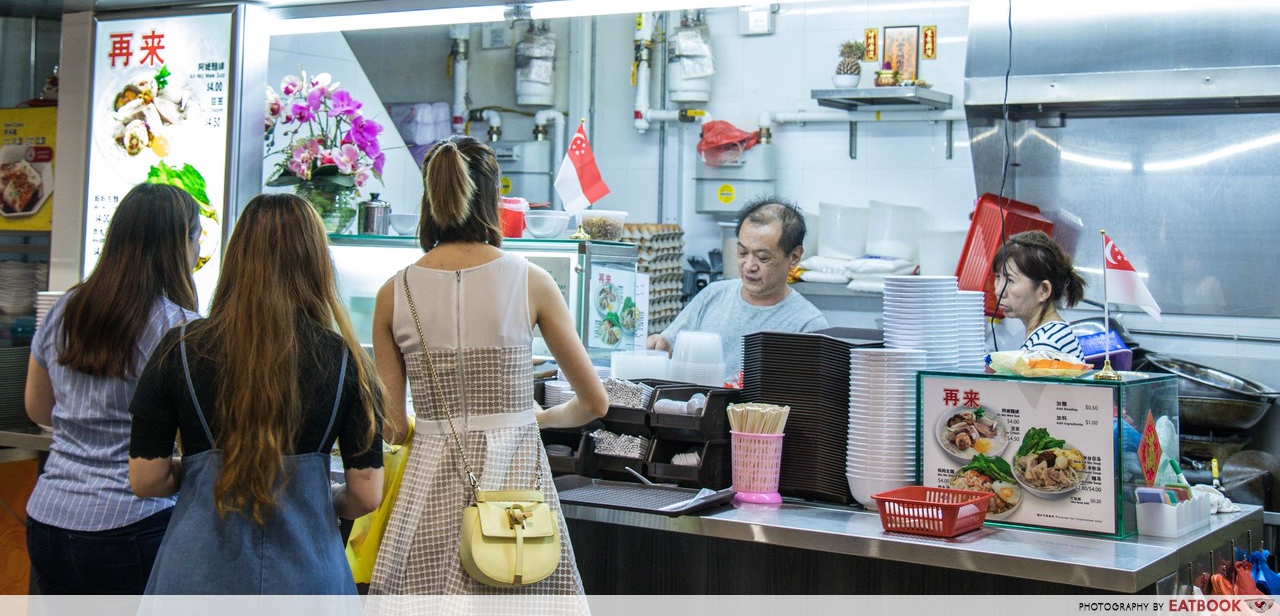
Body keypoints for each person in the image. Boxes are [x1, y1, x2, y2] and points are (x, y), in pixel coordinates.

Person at [367, 135, 609, 596]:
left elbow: (394, 428)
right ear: (493, 198)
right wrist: (536, 418)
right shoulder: (531, 280)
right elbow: (594, 402)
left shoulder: (392, 293)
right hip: (516, 502)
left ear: (430, 197)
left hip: (429, 493)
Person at [128, 193, 384, 595]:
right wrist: (324, 498)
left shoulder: (179, 348)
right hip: (308, 579)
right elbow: (366, 494)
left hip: (197, 578)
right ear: (316, 262)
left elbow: (146, 479)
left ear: (236, 260)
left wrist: (199, 472)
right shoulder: (346, 360)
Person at [23, 183, 202, 594]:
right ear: (181, 245)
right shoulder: (180, 327)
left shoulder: (66, 308)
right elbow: (200, 436)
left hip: (49, 514)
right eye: (196, 241)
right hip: (132, 523)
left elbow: (37, 407)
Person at [648, 198, 828, 380]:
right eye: (742, 253)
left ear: (794, 257)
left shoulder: (808, 325)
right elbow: (667, 345)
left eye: (763, 258)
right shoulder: (712, 296)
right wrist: (660, 348)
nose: (749, 265)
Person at [992, 230, 1086, 359]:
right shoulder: (1049, 333)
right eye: (998, 277)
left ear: (1044, 291)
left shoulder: (1045, 348)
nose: (998, 291)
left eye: (1010, 280)